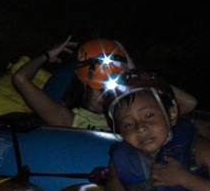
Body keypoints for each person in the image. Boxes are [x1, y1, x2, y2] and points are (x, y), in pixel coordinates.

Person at [11, 37, 197, 130]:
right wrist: (47, 55)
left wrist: (134, 72)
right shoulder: (66, 119)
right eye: (99, 87)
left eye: (109, 88)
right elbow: (20, 79)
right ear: (84, 87)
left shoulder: (129, 118)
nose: (104, 94)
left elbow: (188, 104)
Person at [102, 70, 209, 191]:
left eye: (149, 115)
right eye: (128, 124)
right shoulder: (120, 158)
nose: (140, 128)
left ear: (171, 114)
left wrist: (185, 179)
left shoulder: (198, 147)